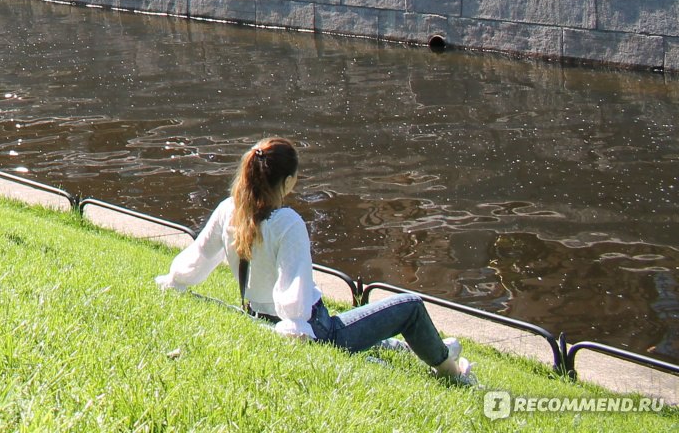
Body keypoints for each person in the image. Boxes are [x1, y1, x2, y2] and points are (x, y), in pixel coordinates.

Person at [157, 138, 472, 383]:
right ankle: (451, 371)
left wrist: (174, 282)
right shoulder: (287, 222)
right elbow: (295, 295)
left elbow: (196, 259)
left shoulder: (229, 210)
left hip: (260, 315)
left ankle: (428, 348)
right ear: (289, 181)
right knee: (411, 306)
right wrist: (296, 329)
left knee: (373, 329)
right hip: (318, 328)